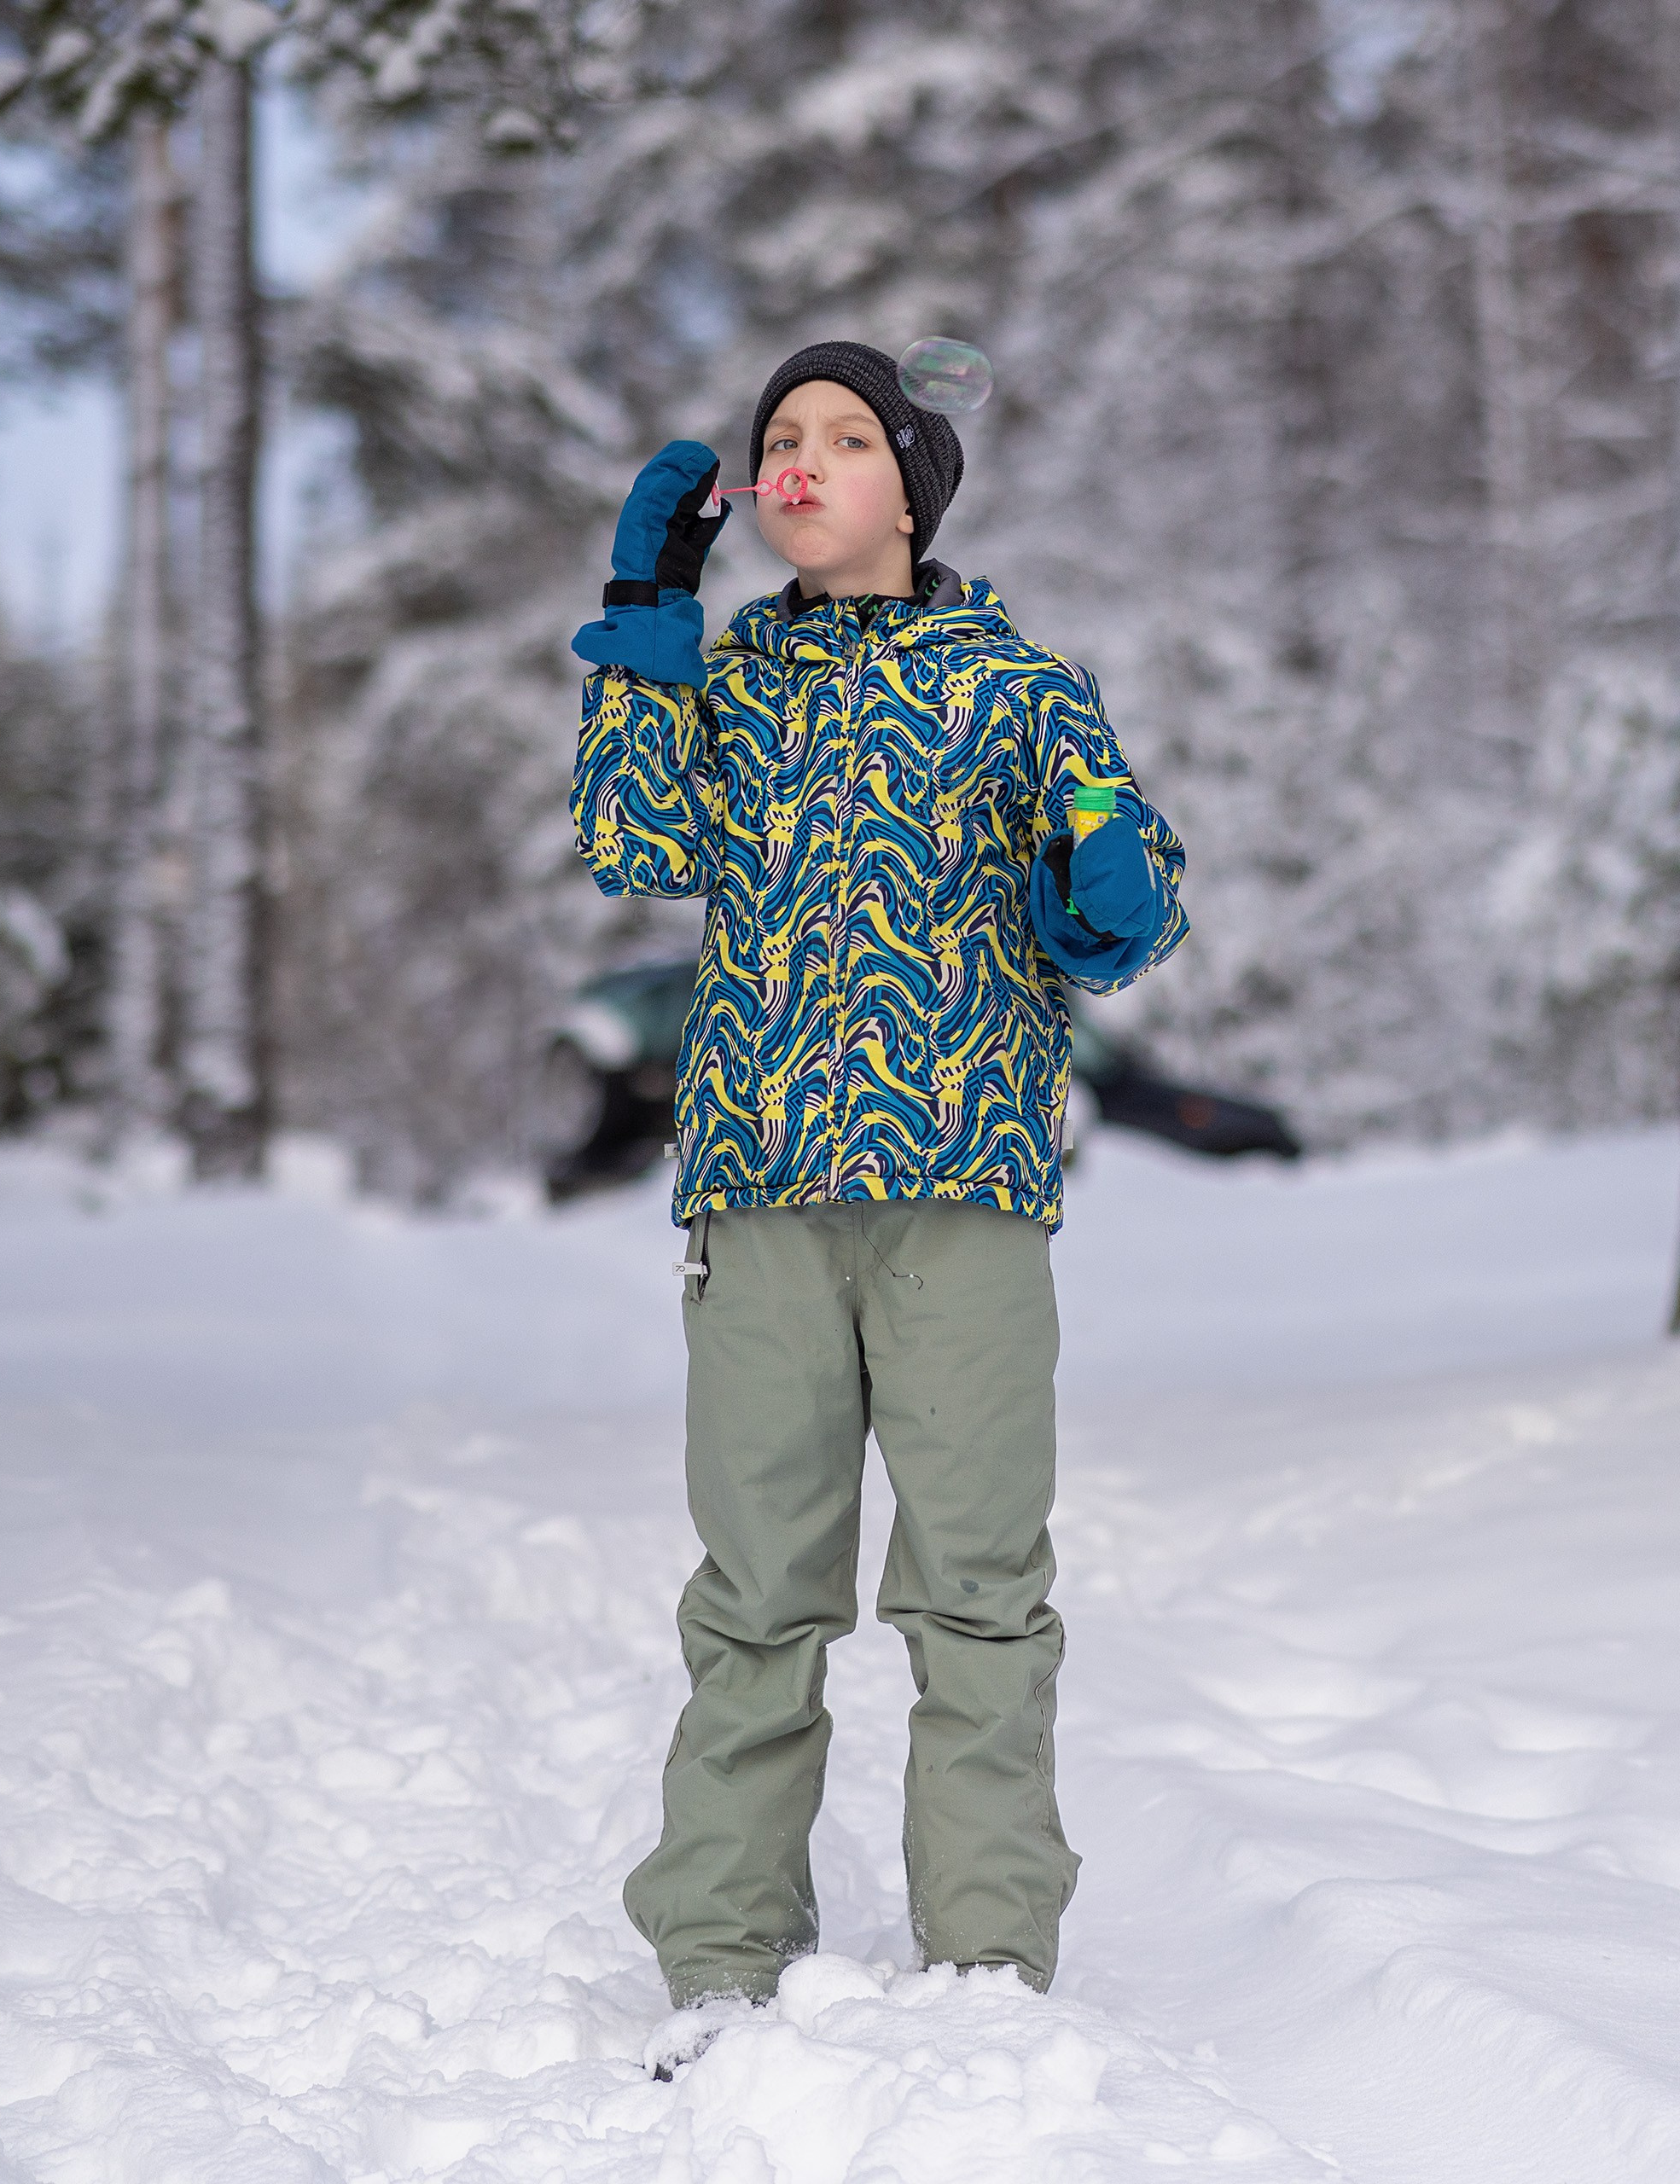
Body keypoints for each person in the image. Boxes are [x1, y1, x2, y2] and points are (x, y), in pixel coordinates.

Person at [567, 341, 1189, 2048]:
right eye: (782, 437)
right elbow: (630, 844)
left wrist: (1108, 885)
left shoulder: (1019, 685)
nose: (806, 458)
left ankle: (987, 1962)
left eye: (848, 435)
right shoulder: (728, 680)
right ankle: (717, 1951)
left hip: (965, 1195)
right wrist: (645, 611)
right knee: (756, 1591)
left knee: (977, 1588)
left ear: (911, 486)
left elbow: (1125, 918)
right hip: (759, 1197)